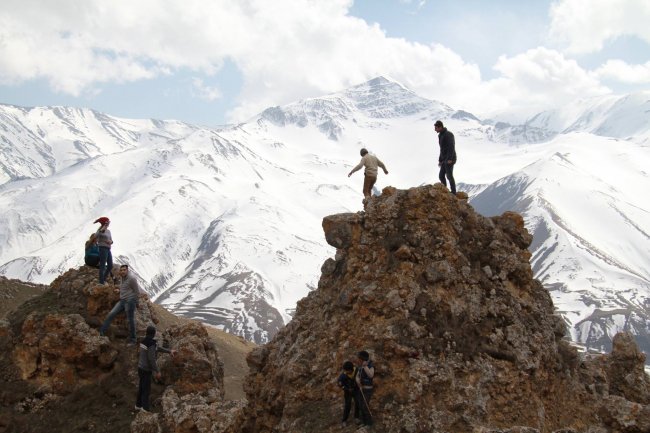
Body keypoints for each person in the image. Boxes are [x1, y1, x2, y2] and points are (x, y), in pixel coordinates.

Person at [135, 324, 176, 412]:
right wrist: (157, 371)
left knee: (142, 387)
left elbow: (158, 348)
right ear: (154, 334)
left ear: (147, 333)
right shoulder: (151, 344)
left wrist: (169, 351)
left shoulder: (144, 341)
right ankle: (145, 409)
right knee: (146, 389)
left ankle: (138, 405)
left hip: (140, 368)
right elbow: (152, 360)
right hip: (146, 370)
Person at [99, 264, 140, 345]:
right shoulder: (122, 278)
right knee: (111, 313)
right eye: (121, 270)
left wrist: (136, 302)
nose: (122, 271)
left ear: (127, 270)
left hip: (130, 301)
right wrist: (119, 291)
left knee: (130, 320)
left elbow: (136, 292)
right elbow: (125, 287)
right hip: (122, 300)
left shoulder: (132, 279)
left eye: (124, 270)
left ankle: (133, 340)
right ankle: (102, 332)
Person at [434, 120, 457, 195]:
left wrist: (450, 159)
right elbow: (442, 149)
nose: (435, 129)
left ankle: (453, 192)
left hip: (450, 159)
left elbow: (451, 147)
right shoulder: (440, 135)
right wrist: (440, 160)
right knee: (441, 176)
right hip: (444, 159)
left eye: (436, 128)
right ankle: (445, 191)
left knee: (449, 175)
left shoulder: (448, 134)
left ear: (440, 127)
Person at [354, 350, 375, 427]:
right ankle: (364, 422)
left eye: (359, 358)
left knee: (365, 406)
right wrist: (357, 381)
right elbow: (357, 376)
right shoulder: (359, 367)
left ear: (362, 359)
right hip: (361, 389)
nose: (358, 360)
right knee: (360, 405)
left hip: (368, 390)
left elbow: (371, 375)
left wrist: (365, 366)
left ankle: (369, 423)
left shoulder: (370, 365)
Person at [94, 216, 114, 284]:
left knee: (110, 265)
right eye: (108, 222)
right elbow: (96, 236)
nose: (109, 224)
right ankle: (101, 281)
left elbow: (111, 240)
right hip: (102, 248)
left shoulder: (108, 231)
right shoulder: (100, 230)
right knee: (102, 265)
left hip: (108, 248)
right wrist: (103, 228)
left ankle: (104, 278)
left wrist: (110, 242)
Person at [337, 360, 357, 426]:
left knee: (358, 403)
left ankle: (356, 417)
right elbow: (339, 383)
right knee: (347, 405)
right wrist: (345, 388)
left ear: (351, 370)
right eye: (345, 371)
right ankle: (344, 420)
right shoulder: (343, 375)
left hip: (356, 390)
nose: (345, 372)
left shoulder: (356, 371)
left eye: (347, 371)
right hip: (347, 392)